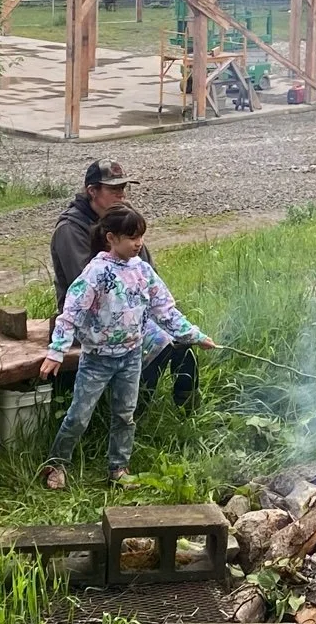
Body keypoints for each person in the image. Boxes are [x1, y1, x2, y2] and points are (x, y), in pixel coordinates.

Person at [39, 205, 212, 491]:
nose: (138, 243)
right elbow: (71, 314)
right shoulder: (96, 272)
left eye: (141, 236)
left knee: (124, 415)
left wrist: (194, 335)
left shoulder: (142, 270)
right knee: (79, 416)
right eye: (132, 237)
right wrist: (57, 352)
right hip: (97, 359)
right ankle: (56, 464)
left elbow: (165, 310)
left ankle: (118, 468)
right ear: (111, 238)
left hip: (131, 356)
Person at [49, 161, 198, 414]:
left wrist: (155, 309)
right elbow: (86, 290)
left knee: (183, 339)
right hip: (93, 317)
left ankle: (187, 410)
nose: (122, 195)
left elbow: (148, 272)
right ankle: (135, 414)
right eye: (114, 189)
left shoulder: (124, 221)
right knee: (160, 343)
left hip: (130, 309)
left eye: (123, 188)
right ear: (92, 191)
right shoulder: (70, 229)